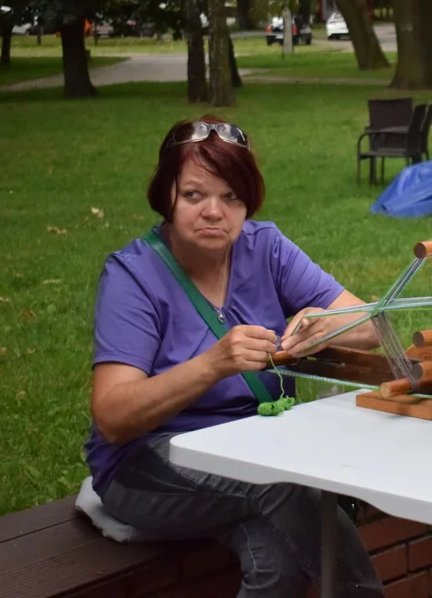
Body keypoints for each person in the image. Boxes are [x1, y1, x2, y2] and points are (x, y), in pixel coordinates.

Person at [83, 117, 384, 598]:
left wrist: (325, 326)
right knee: (286, 485)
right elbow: (114, 418)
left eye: (232, 197)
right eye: (194, 195)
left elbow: (371, 324)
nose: (214, 212)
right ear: (167, 196)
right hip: (144, 464)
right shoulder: (133, 276)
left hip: (247, 452)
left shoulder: (264, 248)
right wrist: (212, 364)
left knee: (278, 566)